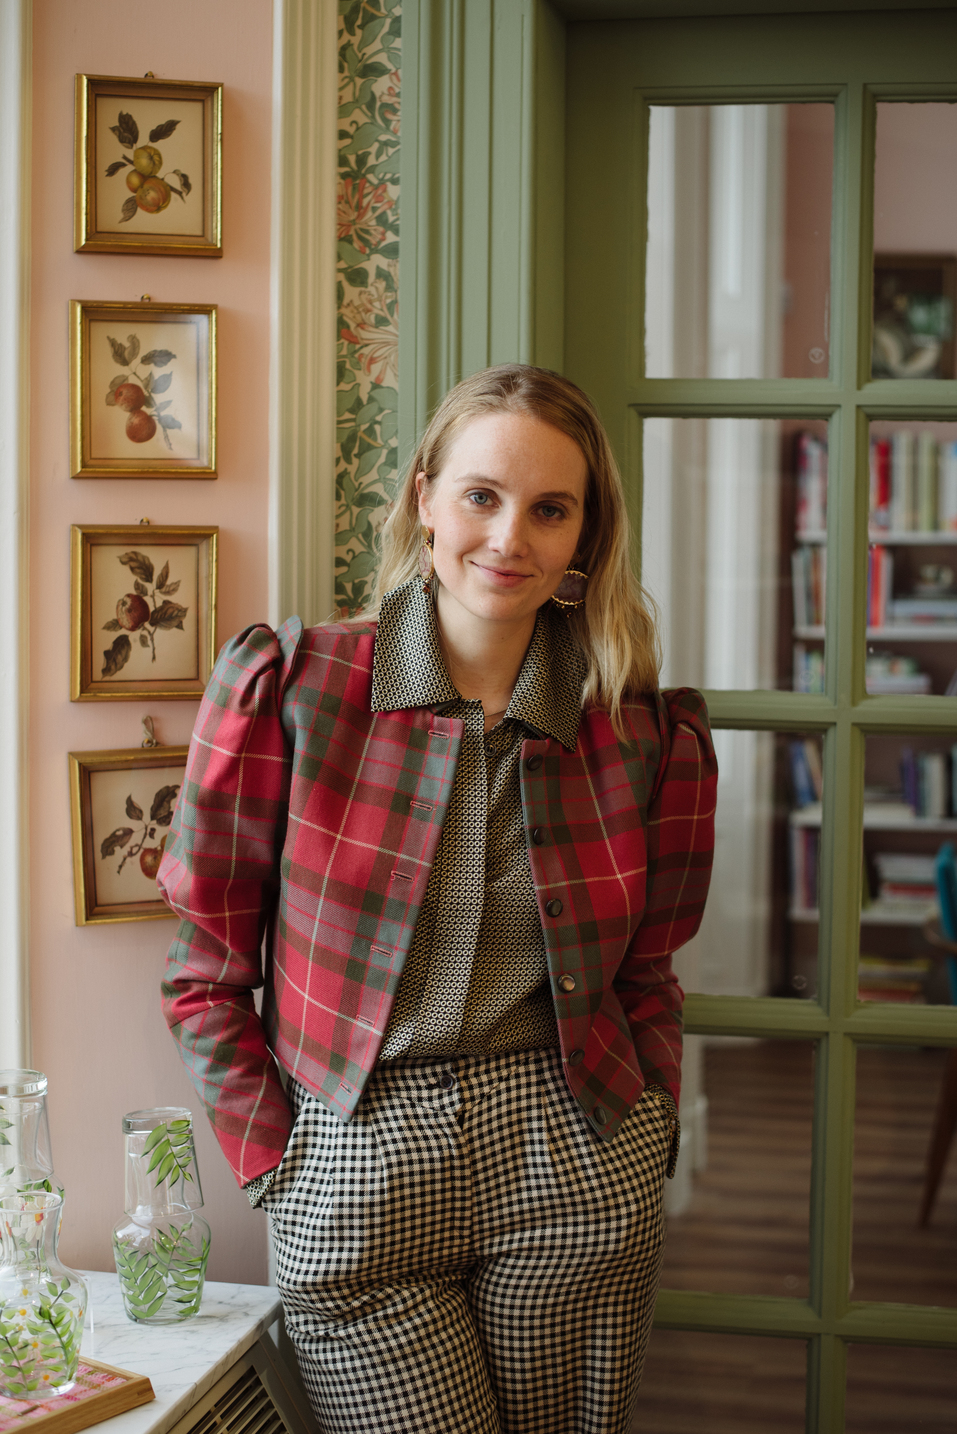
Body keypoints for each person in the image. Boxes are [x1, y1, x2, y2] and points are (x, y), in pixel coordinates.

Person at [159, 363, 717, 1434]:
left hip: (572, 1151)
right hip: (356, 1152)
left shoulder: (643, 733)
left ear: (583, 539)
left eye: (549, 510)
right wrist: (279, 1164)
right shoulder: (296, 689)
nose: (510, 537)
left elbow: (650, 970)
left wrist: (643, 1132)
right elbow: (205, 967)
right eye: (481, 495)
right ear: (424, 496)